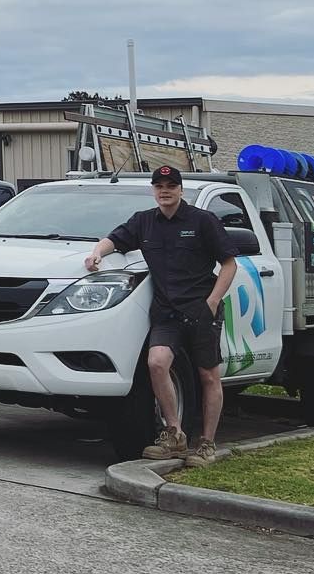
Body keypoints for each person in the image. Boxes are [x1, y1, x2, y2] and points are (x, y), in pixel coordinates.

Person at [84, 164, 238, 467]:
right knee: (156, 363)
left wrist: (212, 301)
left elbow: (230, 264)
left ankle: (206, 444)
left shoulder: (202, 221)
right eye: (159, 186)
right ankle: (175, 435)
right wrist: (97, 253)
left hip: (199, 308)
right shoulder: (144, 222)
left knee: (208, 375)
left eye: (170, 186)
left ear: (180, 190)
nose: (164, 191)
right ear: (153, 190)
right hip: (166, 310)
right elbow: (114, 238)